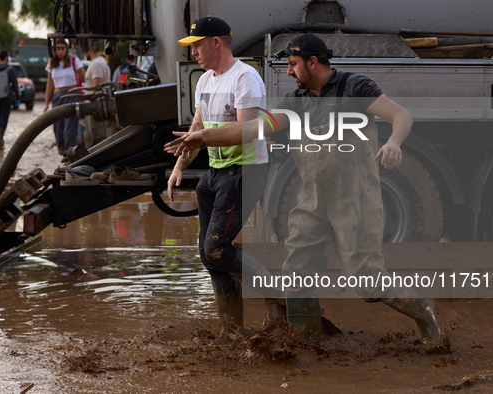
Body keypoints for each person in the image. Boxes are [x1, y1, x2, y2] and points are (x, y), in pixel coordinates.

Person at [165, 34, 449, 354]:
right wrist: (204, 136)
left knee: (366, 282)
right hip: (312, 200)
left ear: (312, 63)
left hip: (354, 199)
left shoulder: (353, 87)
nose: (288, 72)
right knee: (296, 270)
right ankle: (304, 342)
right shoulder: (294, 103)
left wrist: (395, 141)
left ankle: (422, 308)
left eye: (292, 65)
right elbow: (253, 128)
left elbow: (401, 115)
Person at [167, 16, 284, 331]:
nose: (193, 53)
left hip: (245, 170)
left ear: (215, 42)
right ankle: (232, 332)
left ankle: (278, 296)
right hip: (216, 172)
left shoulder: (246, 78)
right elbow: (198, 125)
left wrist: (201, 139)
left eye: (196, 45)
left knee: (217, 249)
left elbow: (248, 131)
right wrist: (179, 166)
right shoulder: (205, 79)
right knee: (209, 256)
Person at [44, 38, 85, 156]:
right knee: (58, 127)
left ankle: (70, 153)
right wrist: (46, 104)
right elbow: (50, 84)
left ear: (67, 49)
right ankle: (63, 153)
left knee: (70, 127)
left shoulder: (73, 60)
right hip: (58, 97)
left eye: (62, 49)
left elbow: (84, 76)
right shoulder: (52, 63)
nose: (60, 51)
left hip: (72, 96)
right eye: (58, 49)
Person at [0, 50, 19, 149]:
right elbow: (15, 84)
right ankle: (0, 137)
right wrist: (18, 97)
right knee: (3, 118)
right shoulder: (10, 70)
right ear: (6, 57)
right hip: (6, 97)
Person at [83, 39, 110, 148]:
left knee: (95, 138)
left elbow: (97, 87)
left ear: (89, 50)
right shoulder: (101, 61)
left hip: (95, 107)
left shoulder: (96, 64)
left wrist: (89, 102)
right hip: (99, 107)